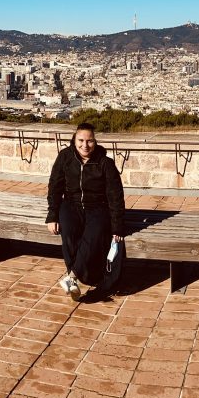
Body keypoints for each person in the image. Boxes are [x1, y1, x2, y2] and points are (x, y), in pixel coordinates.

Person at [45, 122, 125, 300]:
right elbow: (55, 187)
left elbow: (115, 196)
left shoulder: (105, 163)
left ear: (95, 142)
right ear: (74, 140)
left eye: (90, 141)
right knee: (68, 232)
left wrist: (117, 226)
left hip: (97, 206)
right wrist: (52, 216)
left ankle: (72, 277)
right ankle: (78, 276)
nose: (85, 145)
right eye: (81, 140)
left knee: (93, 234)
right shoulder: (65, 157)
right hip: (71, 204)